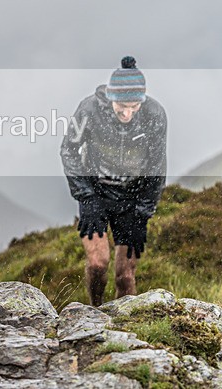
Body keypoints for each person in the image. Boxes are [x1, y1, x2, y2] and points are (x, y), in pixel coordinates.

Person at [60, 56, 167, 306]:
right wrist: (86, 197)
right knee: (98, 264)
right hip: (96, 194)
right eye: (122, 106)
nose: (127, 113)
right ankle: (94, 310)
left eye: (134, 106)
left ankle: (124, 327)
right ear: (111, 97)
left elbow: (156, 167)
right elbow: (68, 150)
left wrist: (143, 213)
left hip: (131, 199)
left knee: (125, 277)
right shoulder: (88, 109)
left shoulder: (155, 115)